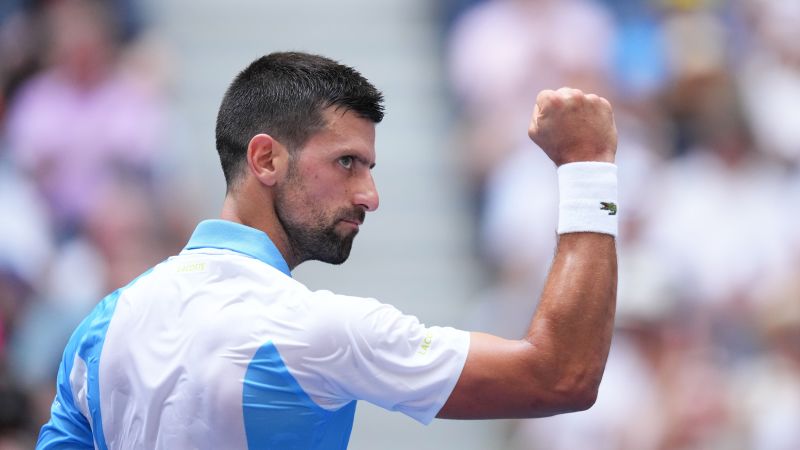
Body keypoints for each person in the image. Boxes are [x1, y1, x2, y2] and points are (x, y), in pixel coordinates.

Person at [36, 51, 618, 449]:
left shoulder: (101, 327)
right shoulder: (314, 330)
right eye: (347, 163)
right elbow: (560, 375)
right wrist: (587, 166)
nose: (370, 195)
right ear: (265, 160)